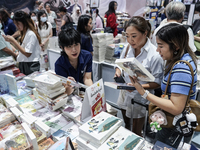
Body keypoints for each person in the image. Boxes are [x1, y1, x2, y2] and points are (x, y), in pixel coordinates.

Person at [130, 23, 197, 148]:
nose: (157, 50)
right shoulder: (181, 60)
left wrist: (144, 93)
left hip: (173, 126)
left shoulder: (181, 68)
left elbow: (176, 107)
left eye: (161, 46)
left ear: (175, 46)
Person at [115, 16, 163, 136]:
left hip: (141, 97)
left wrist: (139, 87)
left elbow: (157, 82)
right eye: (127, 36)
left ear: (145, 33)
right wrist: (118, 71)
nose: (130, 40)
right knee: (126, 124)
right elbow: (120, 63)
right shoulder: (127, 48)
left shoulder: (154, 55)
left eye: (134, 36)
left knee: (136, 131)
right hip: (125, 92)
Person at [55, 27, 93, 95]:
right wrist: (69, 86)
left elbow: (87, 79)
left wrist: (93, 93)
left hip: (83, 92)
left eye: (76, 44)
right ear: (62, 48)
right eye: (69, 46)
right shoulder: (59, 64)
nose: (74, 50)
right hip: (69, 96)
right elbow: (66, 91)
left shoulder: (87, 56)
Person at [3, 11, 41, 75]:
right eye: (15, 23)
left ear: (24, 22)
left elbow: (27, 53)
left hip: (30, 65)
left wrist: (13, 41)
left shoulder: (31, 34)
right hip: (24, 63)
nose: (17, 26)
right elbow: (23, 49)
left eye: (18, 23)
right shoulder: (24, 33)